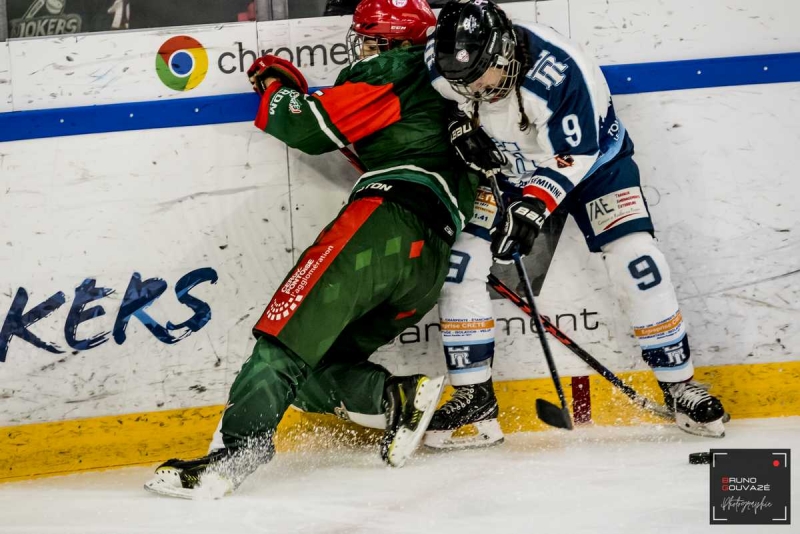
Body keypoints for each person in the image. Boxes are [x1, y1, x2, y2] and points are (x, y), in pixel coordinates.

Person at [144, 0, 480, 499]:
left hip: (381, 227)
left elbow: (306, 126)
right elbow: (359, 130)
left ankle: (235, 453)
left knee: (287, 332)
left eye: (368, 37)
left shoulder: (395, 70)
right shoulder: (441, 87)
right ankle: (396, 395)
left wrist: (275, 87)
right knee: (311, 370)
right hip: (429, 263)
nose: (361, 47)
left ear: (389, 42)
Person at [423, 0, 727, 447]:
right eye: (465, 84)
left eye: (484, 77)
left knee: (637, 259)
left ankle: (679, 385)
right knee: (461, 263)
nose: (479, 91)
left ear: (505, 50)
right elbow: (447, 104)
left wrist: (533, 207)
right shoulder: (442, 63)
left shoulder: (562, 73)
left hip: (593, 165)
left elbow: (574, 156)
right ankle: (475, 398)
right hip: (508, 169)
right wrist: (458, 128)